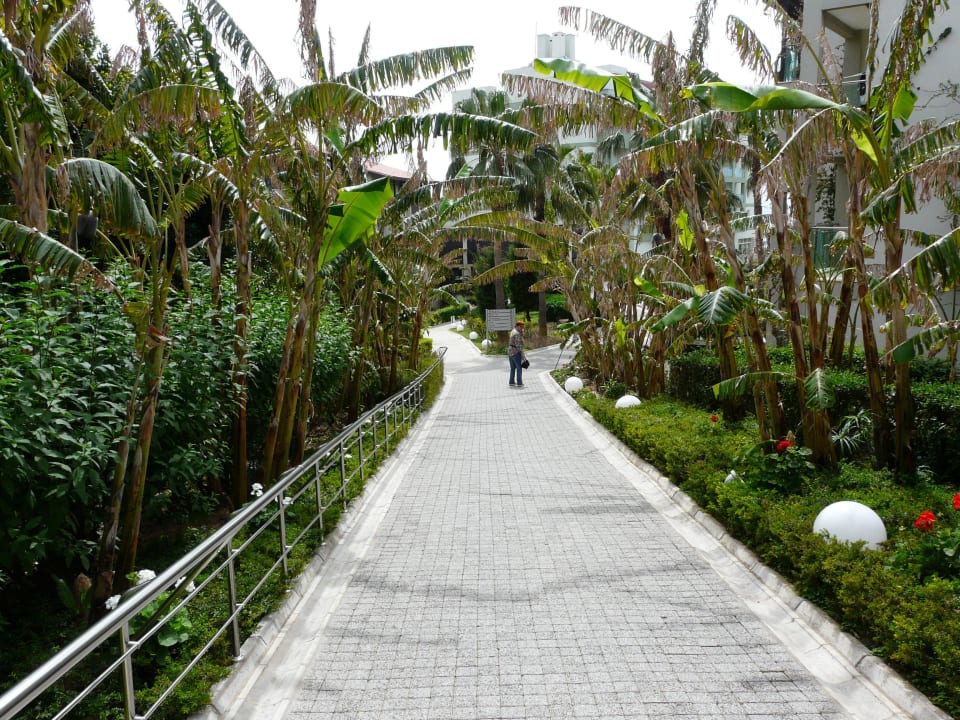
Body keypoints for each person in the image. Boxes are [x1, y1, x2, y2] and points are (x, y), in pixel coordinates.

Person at [508, 320, 526, 387]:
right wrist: (523, 354)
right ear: (518, 326)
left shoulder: (513, 331)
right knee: (519, 368)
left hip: (510, 352)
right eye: (521, 327)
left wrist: (521, 334)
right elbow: (519, 346)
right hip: (516, 353)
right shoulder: (517, 334)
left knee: (512, 368)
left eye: (523, 327)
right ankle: (519, 383)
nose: (522, 328)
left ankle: (511, 382)